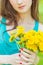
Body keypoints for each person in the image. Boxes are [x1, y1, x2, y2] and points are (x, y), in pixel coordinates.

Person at [0, 0, 43, 65]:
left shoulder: (40, 29)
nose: (19, 2)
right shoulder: (1, 21)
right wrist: (6, 59)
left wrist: (35, 61)